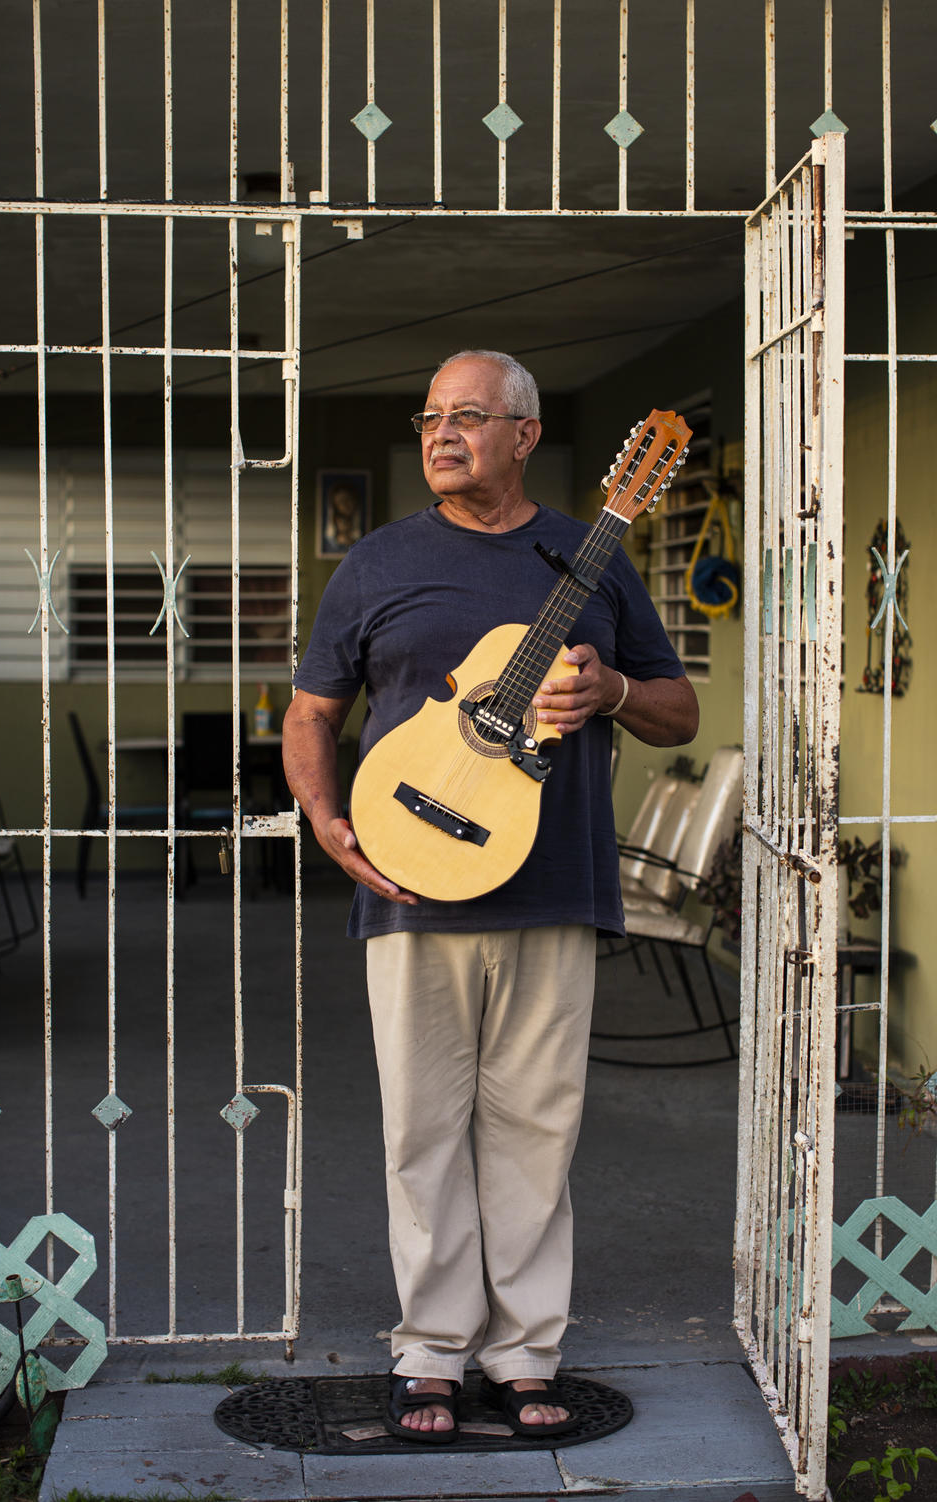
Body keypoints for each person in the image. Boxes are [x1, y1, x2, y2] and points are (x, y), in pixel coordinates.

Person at [282, 350, 699, 1442]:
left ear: (525, 432)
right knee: (421, 1130)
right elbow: (313, 713)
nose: (441, 432)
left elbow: (676, 708)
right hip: (411, 884)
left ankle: (523, 1350)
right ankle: (430, 1346)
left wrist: (609, 687)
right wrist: (330, 823)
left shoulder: (591, 558)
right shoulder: (376, 563)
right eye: (429, 416)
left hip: (554, 885)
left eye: (468, 415)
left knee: (534, 1130)